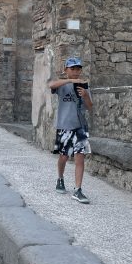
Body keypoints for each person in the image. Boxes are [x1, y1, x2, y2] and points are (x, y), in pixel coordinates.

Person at [48, 56, 93, 203]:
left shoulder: (84, 86)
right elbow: (51, 85)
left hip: (80, 127)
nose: (76, 71)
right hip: (65, 126)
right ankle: (60, 179)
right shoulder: (62, 85)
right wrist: (70, 81)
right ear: (66, 70)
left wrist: (85, 96)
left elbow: (90, 107)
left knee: (80, 157)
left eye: (78, 69)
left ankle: (78, 190)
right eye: (72, 68)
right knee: (64, 157)